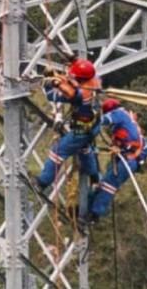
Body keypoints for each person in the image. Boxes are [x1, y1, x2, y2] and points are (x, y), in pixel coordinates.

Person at [35, 57, 102, 192]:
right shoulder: (94, 81)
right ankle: (95, 176)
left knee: (58, 152)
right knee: (85, 150)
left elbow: (53, 96)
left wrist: (49, 83)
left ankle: (42, 183)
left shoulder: (79, 95)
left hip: (81, 131)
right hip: (94, 126)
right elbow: (78, 78)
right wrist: (73, 61)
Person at [86, 98, 147, 224]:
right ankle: (88, 210)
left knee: (108, 186)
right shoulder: (128, 122)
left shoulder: (119, 114)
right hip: (126, 159)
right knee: (101, 185)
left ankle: (95, 214)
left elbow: (103, 120)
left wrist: (90, 114)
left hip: (128, 160)